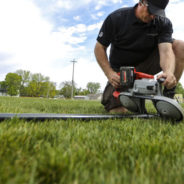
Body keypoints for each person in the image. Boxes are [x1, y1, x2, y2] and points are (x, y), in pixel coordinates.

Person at [94, 0, 184, 113]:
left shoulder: (163, 23)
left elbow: (166, 51)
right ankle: (133, 97)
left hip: (146, 65)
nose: (153, 16)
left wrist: (169, 72)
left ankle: (168, 94)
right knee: (119, 111)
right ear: (142, 2)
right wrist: (109, 73)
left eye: (157, 13)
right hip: (122, 72)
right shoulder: (116, 18)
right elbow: (99, 48)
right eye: (151, 11)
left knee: (180, 46)